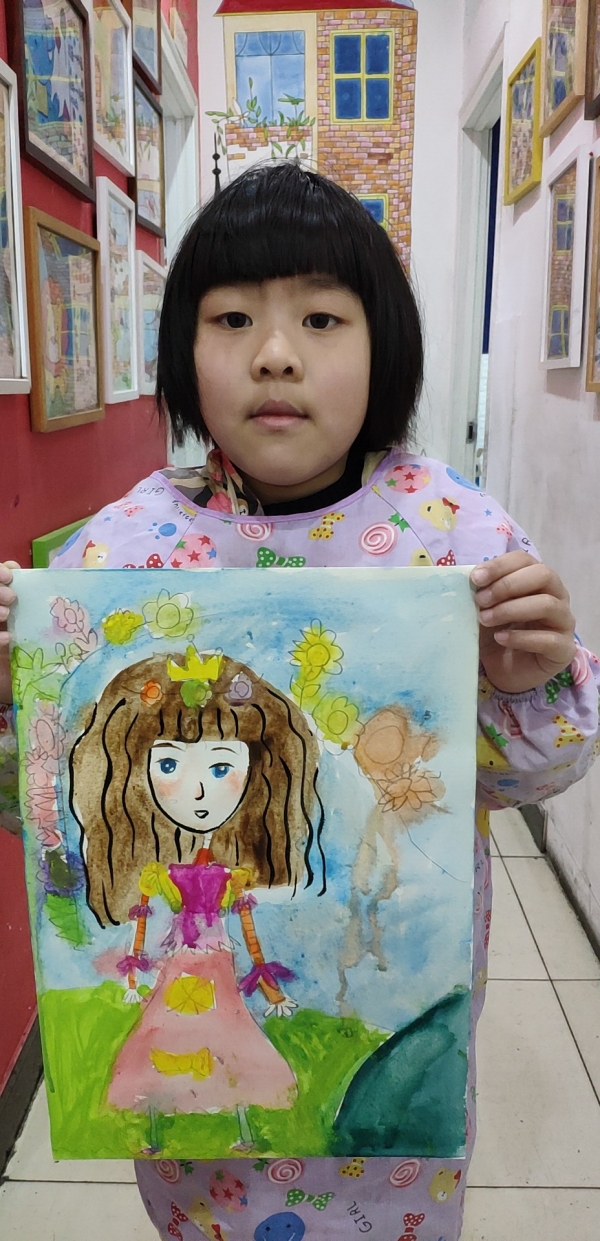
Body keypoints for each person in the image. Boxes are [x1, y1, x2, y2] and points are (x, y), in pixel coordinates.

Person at [1, 162, 598, 1241]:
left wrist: (527, 679)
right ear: (183, 350)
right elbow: (46, 806)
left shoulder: (454, 534)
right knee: (205, 1165)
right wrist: (17, 687)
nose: (275, 353)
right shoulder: (125, 546)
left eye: (322, 318)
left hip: (394, 1061)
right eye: (232, 319)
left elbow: (534, 773)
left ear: (385, 346)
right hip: (201, 1141)